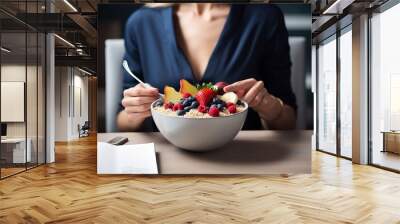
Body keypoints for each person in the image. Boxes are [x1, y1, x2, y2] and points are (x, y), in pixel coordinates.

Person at [117, 3, 297, 131]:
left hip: (242, 157)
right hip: (164, 157)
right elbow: (121, 121)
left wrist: (269, 107)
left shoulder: (265, 17)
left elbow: (289, 122)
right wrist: (135, 109)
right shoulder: (141, 22)